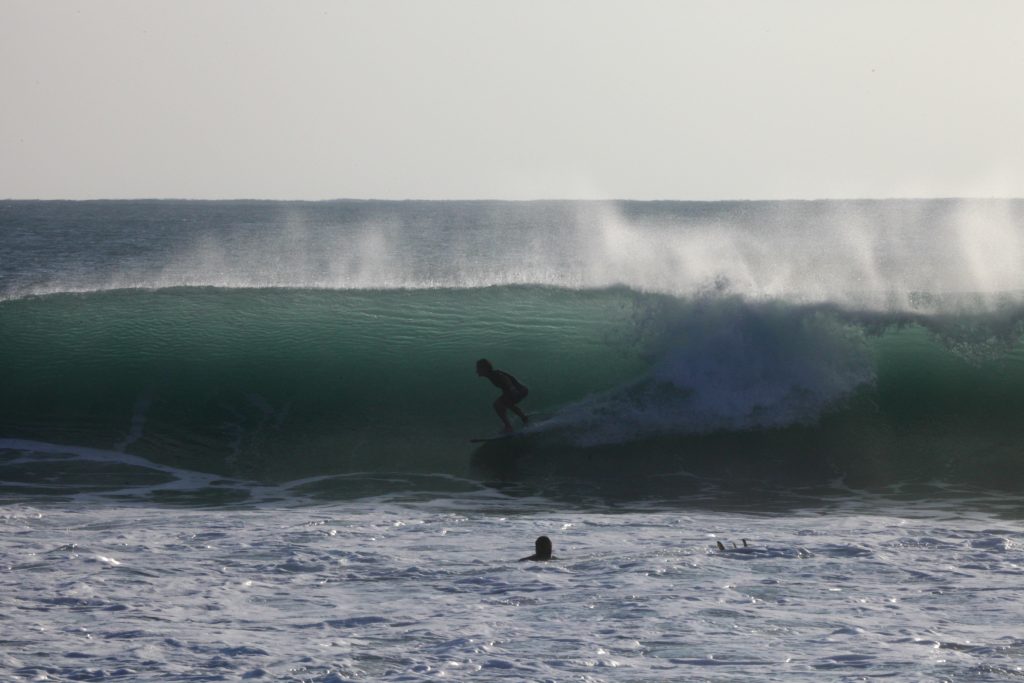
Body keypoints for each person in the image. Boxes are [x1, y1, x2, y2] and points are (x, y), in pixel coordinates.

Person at [476, 358, 529, 433]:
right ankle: (524, 418)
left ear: (484, 368)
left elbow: (505, 378)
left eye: (478, 368)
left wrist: (512, 389)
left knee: (497, 405)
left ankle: (508, 427)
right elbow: (504, 386)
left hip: (519, 391)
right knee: (507, 404)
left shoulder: (494, 374)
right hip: (520, 390)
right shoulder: (491, 375)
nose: (476, 371)